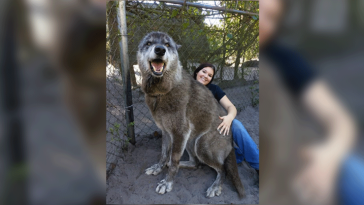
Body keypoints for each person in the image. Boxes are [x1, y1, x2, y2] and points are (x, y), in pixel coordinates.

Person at [193, 63, 259, 173]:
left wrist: (229, 118)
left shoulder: (214, 89)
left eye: (210, 75)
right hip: (196, 131)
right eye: (203, 71)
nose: (206, 76)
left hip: (215, 125)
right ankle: (237, 154)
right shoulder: (185, 88)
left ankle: (259, 166)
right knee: (216, 159)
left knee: (236, 125)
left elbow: (230, 106)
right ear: (197, 72)